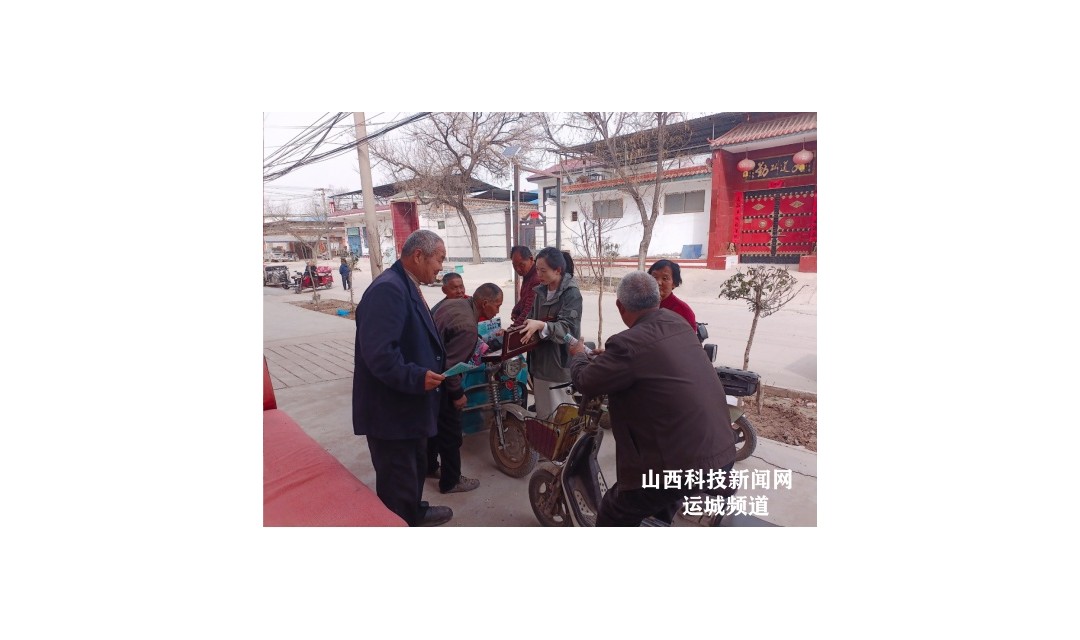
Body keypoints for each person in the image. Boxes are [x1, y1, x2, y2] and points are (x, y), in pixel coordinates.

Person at [567, 271, 736, 526]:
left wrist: (579, 354)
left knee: (614, 511)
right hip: (721, 450)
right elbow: (656, 360)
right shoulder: (677, 322)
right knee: (662, 505)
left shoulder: (626, 344)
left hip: (681, 464)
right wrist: (609, 360)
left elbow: (586, 381)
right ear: (658, 299)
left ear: (620, 306)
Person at [352, 229, 454, 527]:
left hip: (408, 406)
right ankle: (400, 520)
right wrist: (417, 377)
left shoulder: (406, 284)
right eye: (439, 259)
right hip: (391, 411)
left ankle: (413, 511)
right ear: (418, 255)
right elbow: (380, 355)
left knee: (412, 469)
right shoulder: (388, 290)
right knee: (397, 476)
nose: (441, 268)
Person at [427, 283, 504, 494]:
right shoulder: (468, 327)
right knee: (451, 433)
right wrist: (458, 394)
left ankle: (429, 466)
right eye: (497, 305)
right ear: (484, 303)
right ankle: (451, 481)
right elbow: (450, 368)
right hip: (440, 379)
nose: (498, 311)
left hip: (428, 371)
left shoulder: (454, 304)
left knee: (434, 426)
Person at [515, 246, 582, 422]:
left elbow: (567, 329)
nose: (538, 275)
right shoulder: (540, 291)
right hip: (539, 363)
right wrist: (514, 330)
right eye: (537, 270)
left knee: (562, 418)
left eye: (543, 270)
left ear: (558, 270)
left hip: (558, 365)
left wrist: (542, 325)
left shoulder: (571, 294)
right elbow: (530, 318)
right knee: (544, 415)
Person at [647, 259, 696, 332]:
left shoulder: (682, 311)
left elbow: (688, 338)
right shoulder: (642, 305)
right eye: (654, 277)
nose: (658, 282)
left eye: (665, 278)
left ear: (674, 283)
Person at [510, 245, 540, 327]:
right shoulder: (527, 274)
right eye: (514, 266)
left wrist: (512, 328)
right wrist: (516, 309)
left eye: (521, 265)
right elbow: (525, 298)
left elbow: (529, 310)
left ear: (531, 259)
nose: (518, 269)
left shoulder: (536, 279)